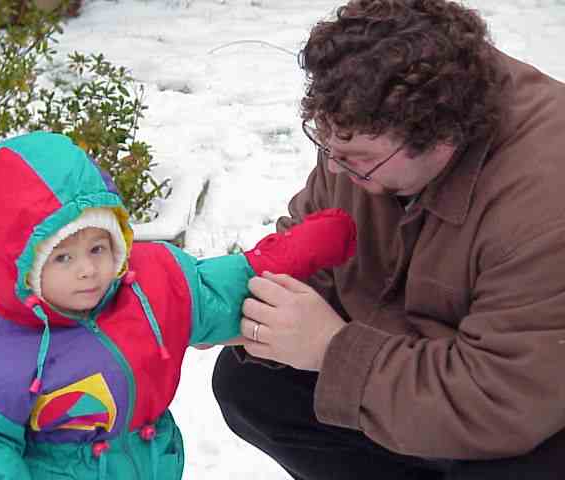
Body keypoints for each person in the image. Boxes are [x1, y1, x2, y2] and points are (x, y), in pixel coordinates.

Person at [212, 1, 565, 479]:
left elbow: (502, 397)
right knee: (252, 382)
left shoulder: (545, 201)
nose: (334, 168)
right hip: (420, 362)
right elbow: (309, 247)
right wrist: (228, 303)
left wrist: (331, 350)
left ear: (442, 139)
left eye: (355, 157)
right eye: (327, 146)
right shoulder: (367, 121)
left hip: (530, 404)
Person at [0, 131, 358, 479]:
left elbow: (218, 291)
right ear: (20, 265)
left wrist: (296, 252)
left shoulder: (148, 285)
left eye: (98, 247)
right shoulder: (4, 352)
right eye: (63, 258)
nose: (87, 271)